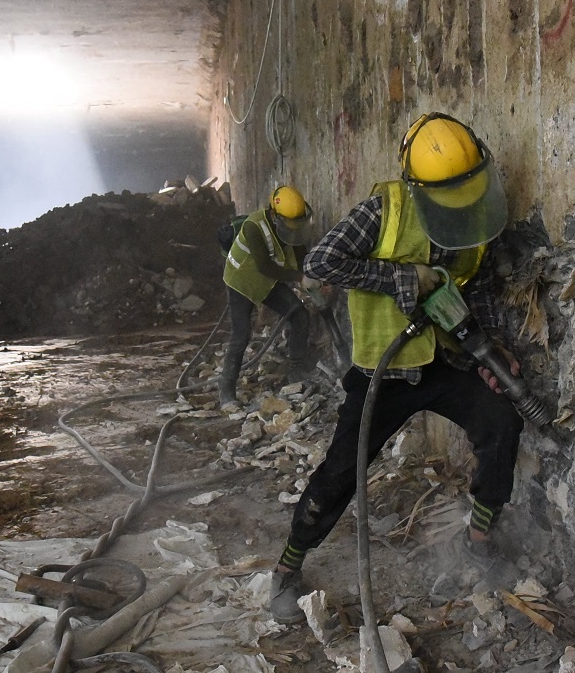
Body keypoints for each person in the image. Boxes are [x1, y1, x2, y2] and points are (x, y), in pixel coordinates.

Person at [267, 113, 524, 623]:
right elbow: (321, 262)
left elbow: (478, 285)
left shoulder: (474, 210)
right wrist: (405, 279)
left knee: (502, 422)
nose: (458, 202)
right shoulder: (383, 211)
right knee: (340, 472)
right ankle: (288, 567)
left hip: (443, 362)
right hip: (382, 373)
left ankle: (478, 539)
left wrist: (491, 348)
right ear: (417, 185)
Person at [219, 185, 317, 407]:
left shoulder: (290, 228)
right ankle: (226, 388)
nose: (293, 229)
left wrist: (314, 277)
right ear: (274, 215)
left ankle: (296, 370)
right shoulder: (254, 227)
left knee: (299, 315)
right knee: (241, 335)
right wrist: (300, 278)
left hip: (266, 282)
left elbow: (300, 255)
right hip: (241, 282)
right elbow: (265, 266)